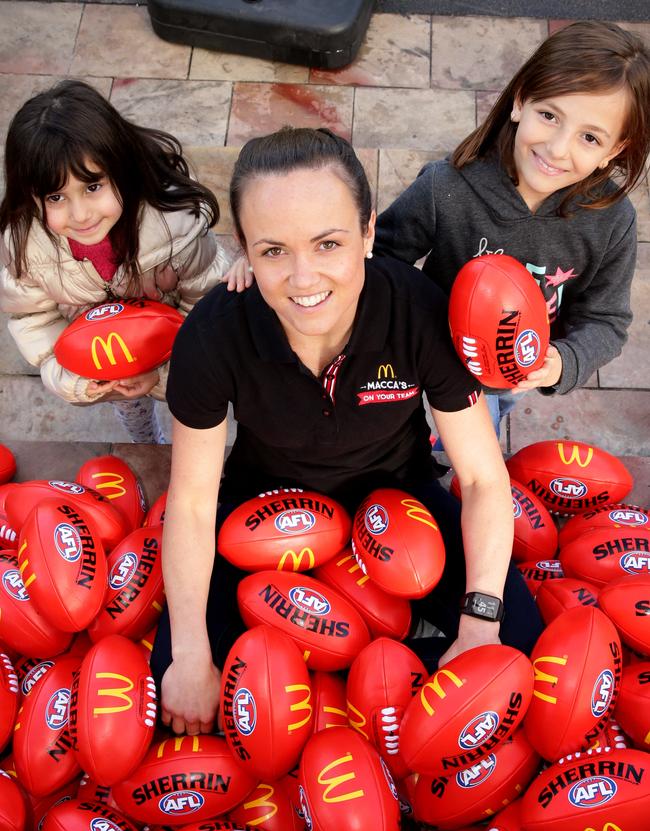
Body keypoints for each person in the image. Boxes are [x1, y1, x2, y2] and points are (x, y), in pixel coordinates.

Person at [153, 127, 543, 736]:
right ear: (245, 251)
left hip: (397, 491)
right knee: (172, 685)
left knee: (518, 640)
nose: (303, 279)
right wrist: (192, 656)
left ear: (367, 233)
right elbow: (194, 503)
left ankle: (366, 709)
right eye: (273, 250)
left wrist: (478, 624)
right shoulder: (212, 334)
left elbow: (483, 478)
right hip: (264, 499)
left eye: (327, 243)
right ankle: (307, 711)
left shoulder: (417, 309)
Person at [378, 22, 650, 431]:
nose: (558, 149)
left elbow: (606, 321)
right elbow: (378, 259)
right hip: (429, 365)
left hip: (506, 379)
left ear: (615, 150)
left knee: (474, 451)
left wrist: (563, 361)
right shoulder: (446, 187)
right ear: (520, 100)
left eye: (589, 138)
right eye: (549, 115)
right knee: (416, 448)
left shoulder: (612, 222)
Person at [0, 80, 228, 444]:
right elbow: (33, 320)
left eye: (93, 187)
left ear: (121, 168)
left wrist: (165, 371)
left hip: (175, 350)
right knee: (132, 411)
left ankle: (188, 447)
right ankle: (148, 443)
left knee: (193, 406)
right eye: (56, 197)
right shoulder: (27, 246)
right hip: (104, 364)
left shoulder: (175, 225)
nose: (80, 214)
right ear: (31, 196)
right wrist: (80, 377)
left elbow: (209, 305)